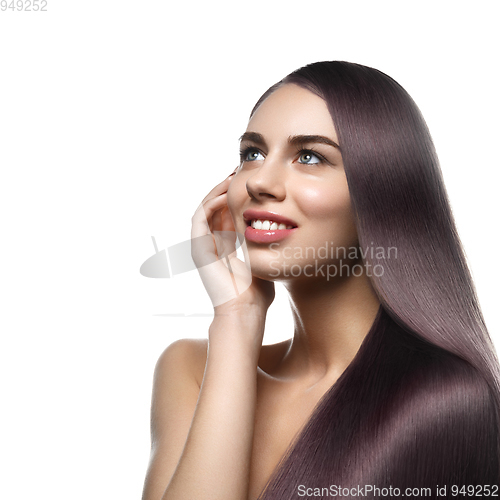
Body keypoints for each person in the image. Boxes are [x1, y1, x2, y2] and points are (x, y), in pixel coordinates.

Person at [141, 62, 500, 500]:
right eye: (252, 153)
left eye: (310, 156)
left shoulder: (444, 401)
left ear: (383, 193)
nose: (260, 183)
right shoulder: (190, 370)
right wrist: (237, 318)